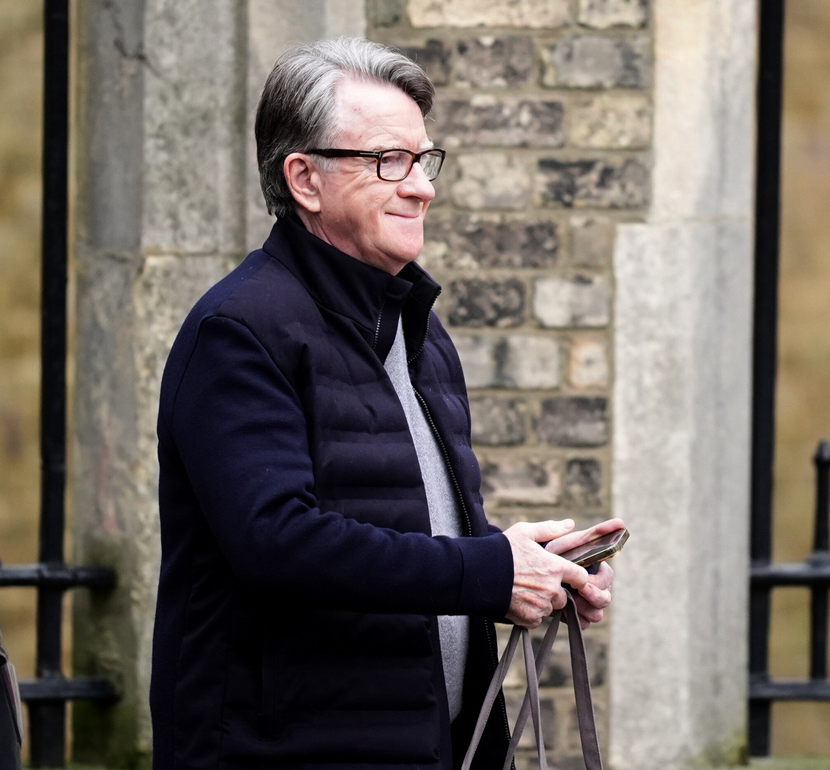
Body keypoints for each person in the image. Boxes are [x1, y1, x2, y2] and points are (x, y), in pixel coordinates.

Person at [151, 37, 620, 769]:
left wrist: (527, 568)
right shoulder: (239, 331)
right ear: (303, 178)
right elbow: (277, 541)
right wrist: (486, 570)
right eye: (386, 161)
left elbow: (401, 526)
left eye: (423, 159)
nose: (421, 187)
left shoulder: (421, 332)